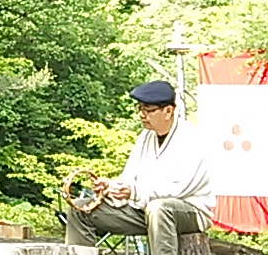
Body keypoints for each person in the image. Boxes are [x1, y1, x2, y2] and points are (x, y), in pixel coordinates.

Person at [65, 81, 213, 255]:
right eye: (140, 108)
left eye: (148, 110)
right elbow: (129, 178)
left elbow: (178, 189)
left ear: (168, 111)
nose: (141, 115)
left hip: (189, 211)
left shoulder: (193, 138)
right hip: (143, 209)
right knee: (80, 209)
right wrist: (111, 187)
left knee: (159, 208)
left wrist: (133, 192)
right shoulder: (146, 137)